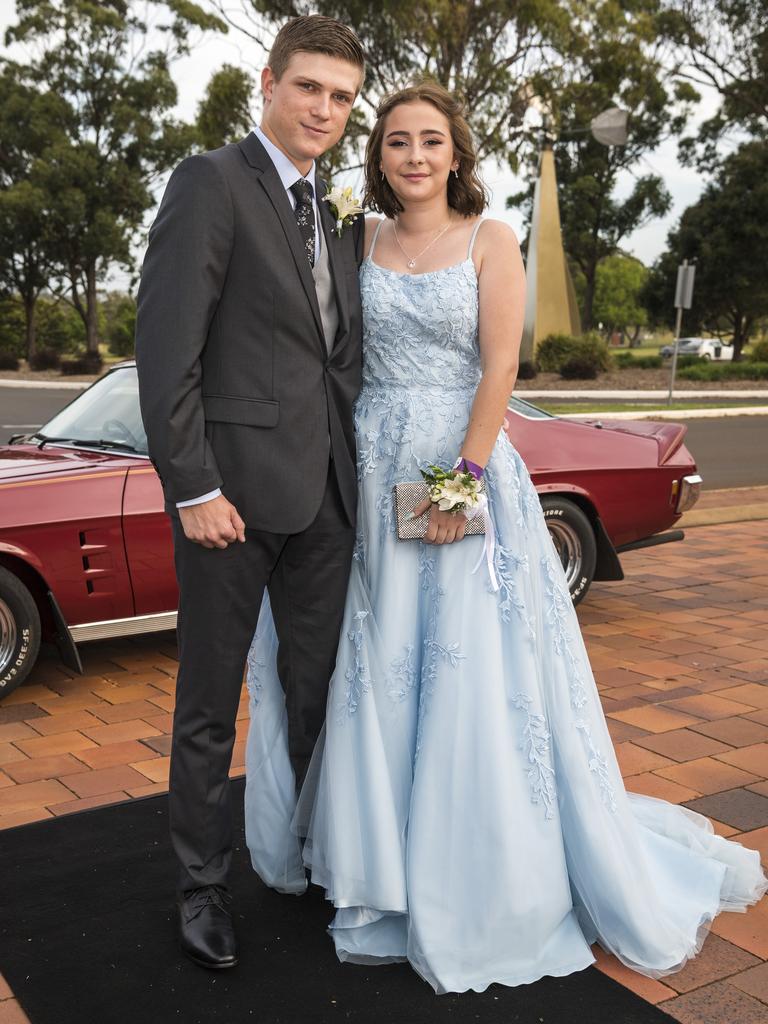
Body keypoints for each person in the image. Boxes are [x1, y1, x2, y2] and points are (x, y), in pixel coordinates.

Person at [244, 80, 767, 993]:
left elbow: (500, 366)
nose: (413, 156)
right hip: (368, 465)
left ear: (456, 155)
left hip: (461, 458)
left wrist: (466, 479)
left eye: (430, 142)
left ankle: (481, 868)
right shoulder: (355, 237)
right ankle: (381, 858)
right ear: (381, 155)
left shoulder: (492, 239)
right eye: (398, 141)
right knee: (379, 655)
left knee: (469, 662)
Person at [134, 16, 366, 970]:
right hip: (226, 505)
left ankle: (307, 856)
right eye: (308, 87)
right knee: (207, 702)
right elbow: (166, 349)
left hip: (325, 503)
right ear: (268, 82)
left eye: (342, 97)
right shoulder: (210, 181)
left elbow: (330, 358)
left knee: (316, 697)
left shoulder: (337, 210)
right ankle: (199, 889)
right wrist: (192, 485)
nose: (323, 109)